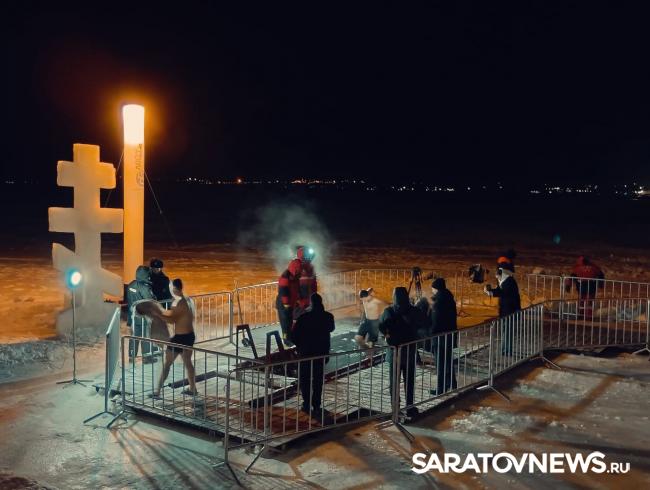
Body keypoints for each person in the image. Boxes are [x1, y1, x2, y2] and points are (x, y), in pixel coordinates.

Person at [379, 287, 427, 418]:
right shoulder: (414, 311)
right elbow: (423, 323)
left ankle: (395, 407)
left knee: (394, 382)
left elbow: (381, 326)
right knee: (409, 381)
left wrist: (387, 335)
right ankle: (410, 407)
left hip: (394, 352)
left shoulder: (389, 311)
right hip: (409, 351)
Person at [151, 278, 198, 398]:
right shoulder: (188, 300)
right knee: (188, 363)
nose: (169, 290)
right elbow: (176, 314)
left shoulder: (177, 302)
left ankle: (157, 392)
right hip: (190, 335)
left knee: (166, 364)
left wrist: (157, 314)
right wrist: (162, 311)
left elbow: (171, 320)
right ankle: (193, 389)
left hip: (180, 338)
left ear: (174, 288)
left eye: (170, 287)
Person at [291, 293, 335, 419]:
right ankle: (316, 405)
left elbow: (294, 336)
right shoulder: (328, 316)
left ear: (311, 303)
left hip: (306, 354)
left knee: (305, 380)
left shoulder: (304, 317)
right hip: (321, 354)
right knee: (317, 381)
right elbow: (331, 328)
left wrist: (300, 346)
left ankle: (306, 404)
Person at [484, 262, 521, 355]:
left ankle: (507, 350)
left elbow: (502, 292)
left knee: (507, 331)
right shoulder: (505, 281)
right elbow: (499, 291)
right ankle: (505, 349)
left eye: (498, 277)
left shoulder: (509, 282)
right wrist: (489, 291)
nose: (498, 279)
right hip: (506, 310)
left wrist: (491, 292)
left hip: (509, 310)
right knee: (505, 331)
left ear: (502, 274)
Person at [429, 278, 458, 395]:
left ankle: (441, 388)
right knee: (448, 360)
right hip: (449, 334)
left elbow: (436, 322)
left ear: (436, 288)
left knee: (440, 363)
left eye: (432, 288)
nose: (432, 291)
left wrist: (430, 333)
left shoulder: (438, 303)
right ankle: (452, 384)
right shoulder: (449, 298)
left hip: (440, 337)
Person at [126, 265, 157, 363]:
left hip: (133, 317)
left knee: (134, 337)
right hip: (144, 318)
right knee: (146, 338)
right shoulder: (144, 287)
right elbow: (150, 301)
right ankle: (147, 358)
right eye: (148, 274)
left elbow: (129, 301)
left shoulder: (131, 285)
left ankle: (131, 356)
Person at [564, 256, 605, 320]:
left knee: (581, 302)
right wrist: (601, 285)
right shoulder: (594, 267)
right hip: (592, 287)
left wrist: (568, 287)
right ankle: (589, 316)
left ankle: (581, 315)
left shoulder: (577, 268)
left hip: (581, 287)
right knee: (590, 302)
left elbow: (572, 278)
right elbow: (601, 275)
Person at [276, 259, 302, 346]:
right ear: (295, 269)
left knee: (290, 323)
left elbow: (297, 289)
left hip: (290, 304)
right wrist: (286, 305)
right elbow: (283, 292)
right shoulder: (285, 277)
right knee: (285, 325)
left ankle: (290, 339)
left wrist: (298, 300)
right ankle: (286, 340)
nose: (300, 272)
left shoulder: (295, 277)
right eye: (298, 270)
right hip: (283, 306)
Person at [296, 246, 318, 312]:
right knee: (303, 310)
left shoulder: (310, 266)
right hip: (303, 291)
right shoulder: (298, 266)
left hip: (309, 290)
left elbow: (314, 280)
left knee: (309, 309)